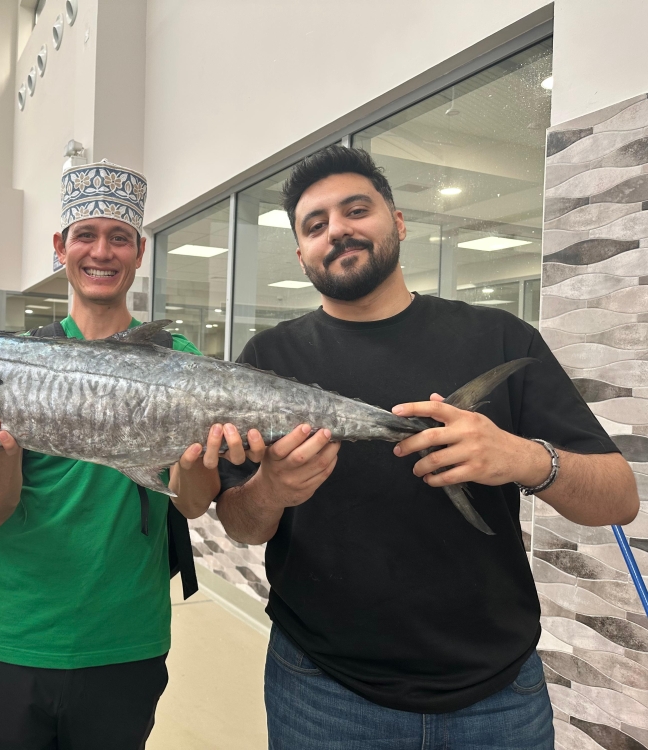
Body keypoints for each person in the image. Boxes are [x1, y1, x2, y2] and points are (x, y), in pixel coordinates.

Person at [215, 145, 640, 749]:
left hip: (498, 696)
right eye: (315, 226)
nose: (337, 230)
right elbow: (241, 524)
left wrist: (519, 458)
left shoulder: (499, 338)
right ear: (301, 252)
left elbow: (618, 498)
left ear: (398, 221)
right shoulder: (267, 359)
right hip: (323, 691)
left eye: (356, 210)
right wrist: (271, 490)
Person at [0, 160, 237, 750]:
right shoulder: (19, 362)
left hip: (126, 640)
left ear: (139, 251)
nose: (102, 252)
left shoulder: (176, 359)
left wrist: (198, 454)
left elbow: (195, 505)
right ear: (60, 248)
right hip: (12, 635)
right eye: (86, 235)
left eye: (119, 237)